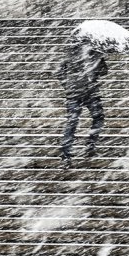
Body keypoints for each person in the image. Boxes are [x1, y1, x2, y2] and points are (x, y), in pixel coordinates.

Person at [56, 40, 107, 168]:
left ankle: (68, 153)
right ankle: (86, 146)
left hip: (80, 93)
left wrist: (68, 85)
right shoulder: (89, 53)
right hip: (84, 93)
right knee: (84, 121)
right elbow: (59, 72)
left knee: (75, 122)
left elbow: (104, 71)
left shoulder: (74, 52)